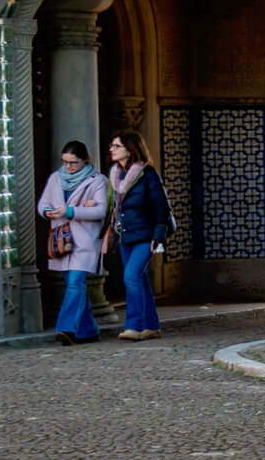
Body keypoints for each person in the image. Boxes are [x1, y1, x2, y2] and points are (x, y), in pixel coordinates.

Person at [37, 140, 112, 346]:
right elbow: (43, 203)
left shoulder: (97, 180)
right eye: (65, 162)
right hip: (62, 239)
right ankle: (88, 331)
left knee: (75, 283)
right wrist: (47, 212)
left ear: (84, 160)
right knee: (75, 285)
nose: (68, 166)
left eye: (73, 162)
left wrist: (70, 211)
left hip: (85, 239)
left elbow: (101, 210)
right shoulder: (55, 178)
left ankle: (66, 328)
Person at [107, 131, 172, 342]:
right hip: (125, 236)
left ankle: (134, 326)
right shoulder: (115, 175)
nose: (111, 149)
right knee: (140, 280)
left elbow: (161, 207)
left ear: (130, 149)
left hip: (146, 235)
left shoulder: (147, 174)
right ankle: (151, 326)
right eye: (112, 145)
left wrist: (158, 236)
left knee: (131, 276)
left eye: (116, 146)